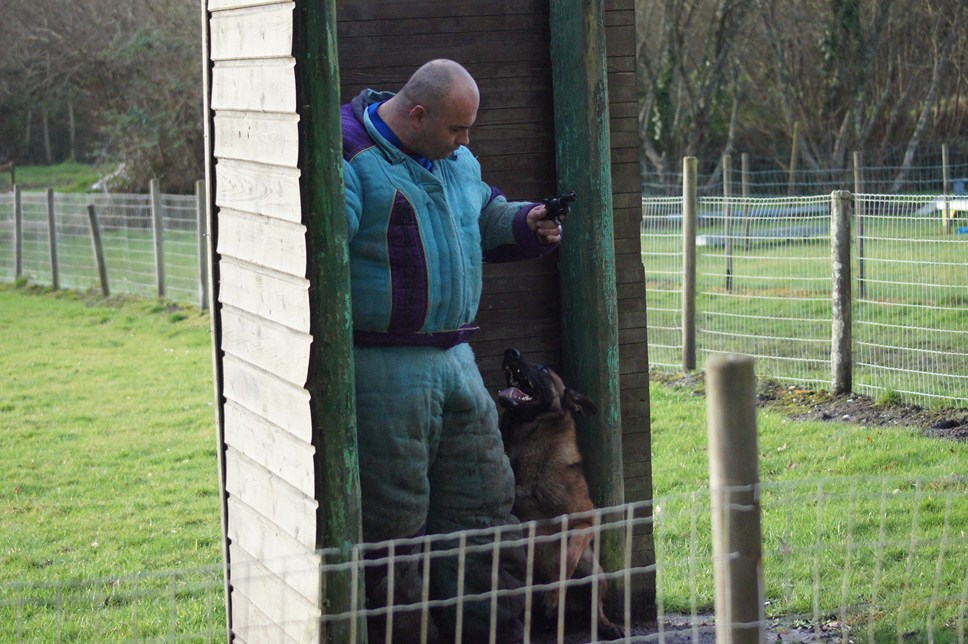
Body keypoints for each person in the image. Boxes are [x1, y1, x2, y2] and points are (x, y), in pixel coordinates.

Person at [340, 59, 563, 642]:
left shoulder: (455, 160)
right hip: (382, 369)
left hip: (457, 359)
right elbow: (310, 254)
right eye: (456, 129)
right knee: (393, 527)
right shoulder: (344, 157)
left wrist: (527, 221)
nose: (467, 141)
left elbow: (483, 214)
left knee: (485, 510)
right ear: (418, 114)